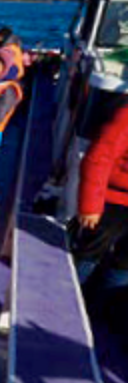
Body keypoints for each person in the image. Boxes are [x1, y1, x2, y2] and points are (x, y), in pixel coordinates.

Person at [70, 103, 128, 295]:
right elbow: (99, 157)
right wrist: (90, 206)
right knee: (88, 255)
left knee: (123, 267)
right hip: (114, 202)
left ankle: (108, 311)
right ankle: (68, 297)